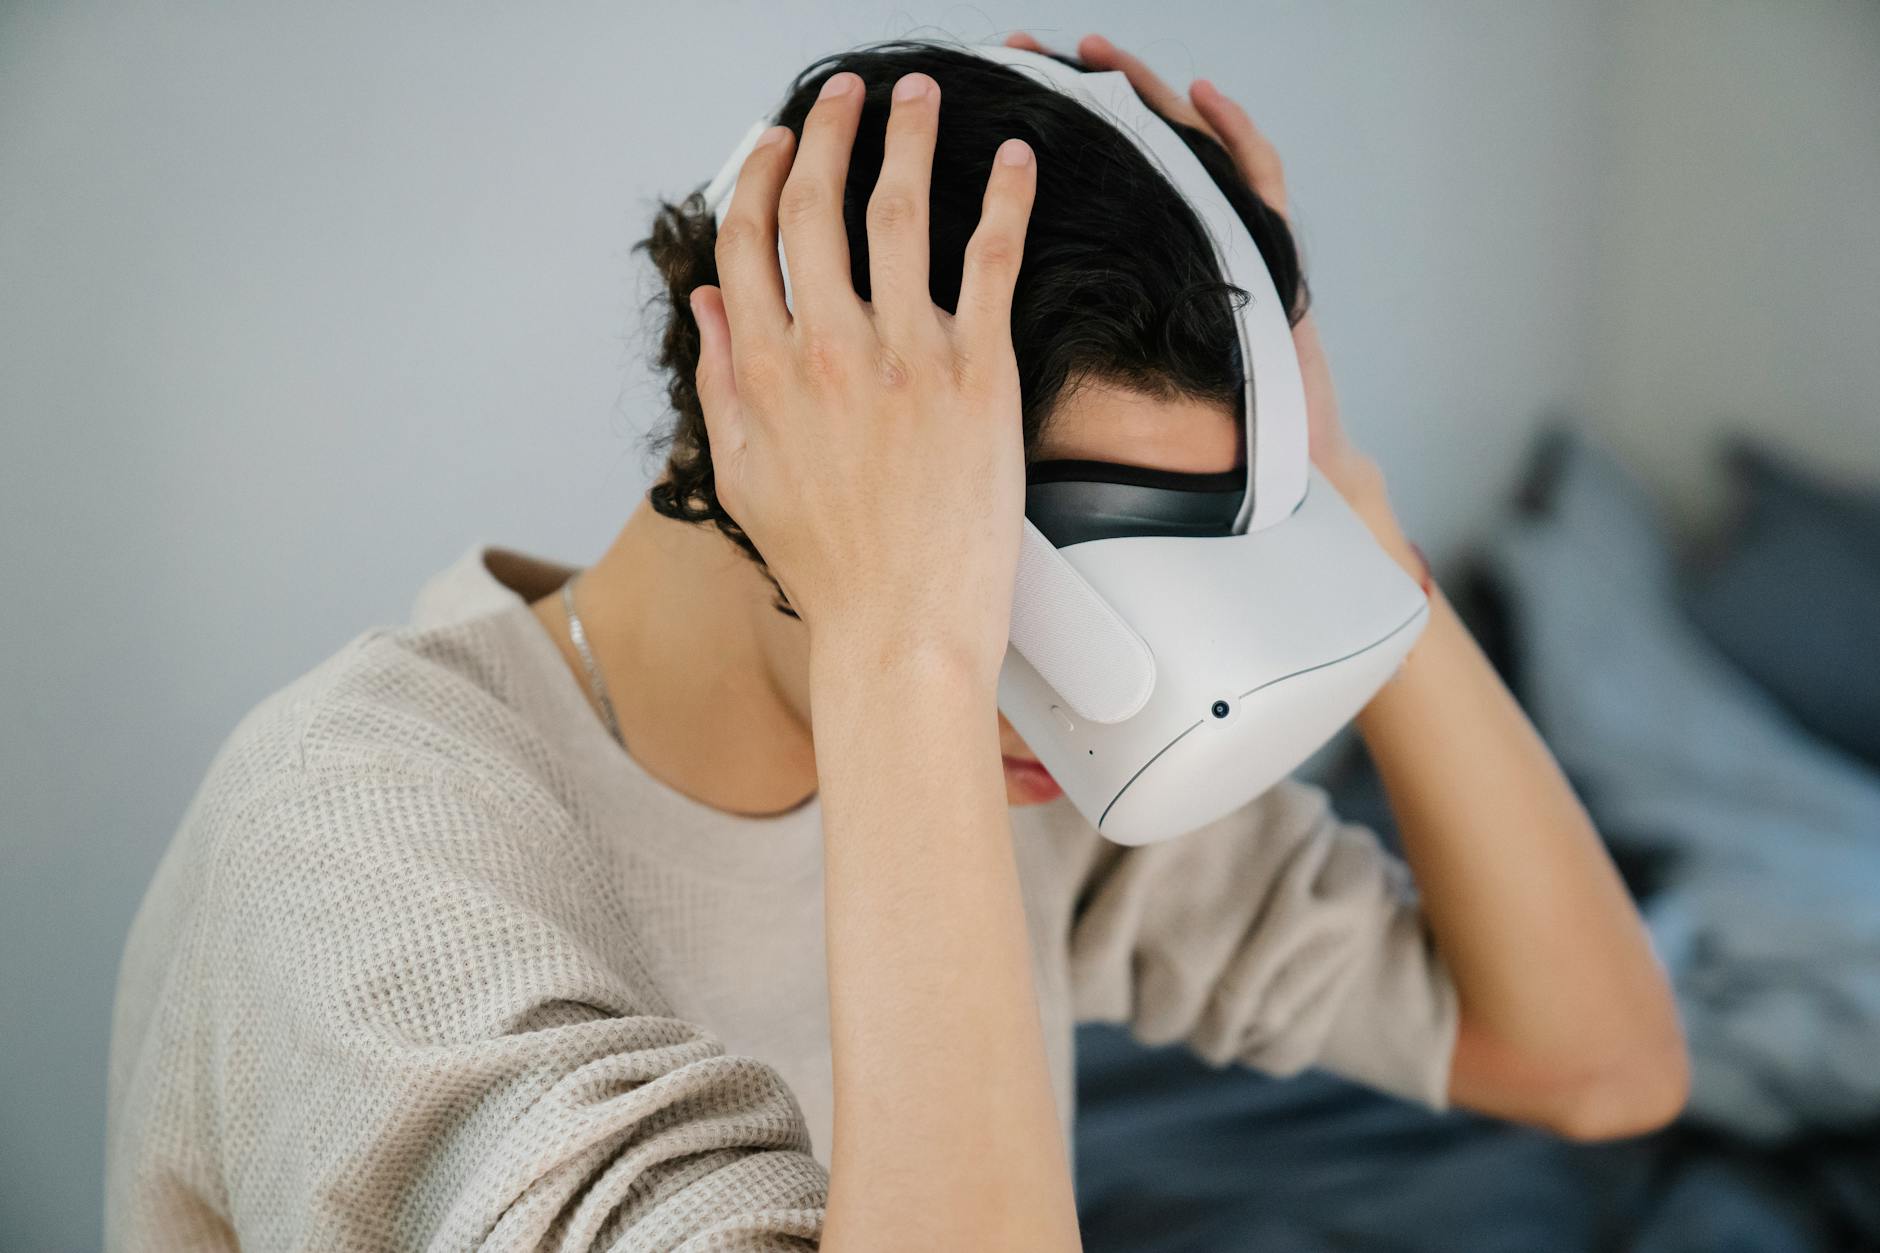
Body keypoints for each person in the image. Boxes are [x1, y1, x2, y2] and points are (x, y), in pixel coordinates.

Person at [104, 32, 1689, 1251]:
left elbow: (1599, 1060)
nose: (1088, 683)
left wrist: (1332, 508)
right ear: (784, 432)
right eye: (1034, 576)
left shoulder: (1017, 764)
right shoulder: (353, 833)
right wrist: (907, 651)